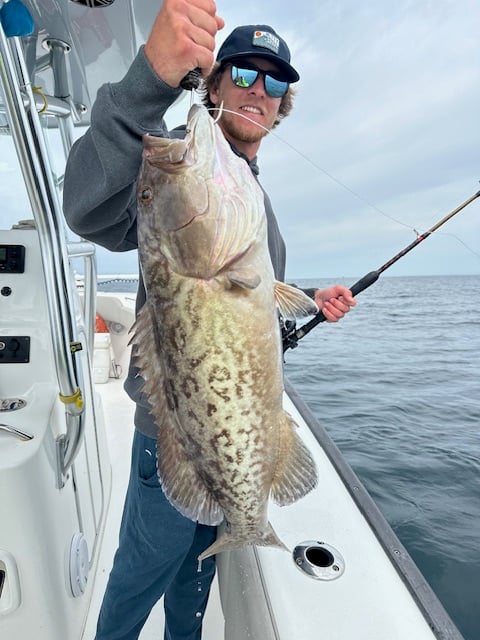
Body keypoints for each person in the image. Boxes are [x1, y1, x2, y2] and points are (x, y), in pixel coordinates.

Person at [63, 2, 356, 639]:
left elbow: (243, 297)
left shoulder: (247, 197)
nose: (260, 91)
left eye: (276, 83)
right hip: (174, 435)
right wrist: (149, 80)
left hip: (238, 433)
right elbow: (86, 210)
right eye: (244, 75)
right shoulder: (171, 177)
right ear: (213, 83)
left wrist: (308, 298)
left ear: (283, 107)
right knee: (138, 579)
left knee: (192, 588)